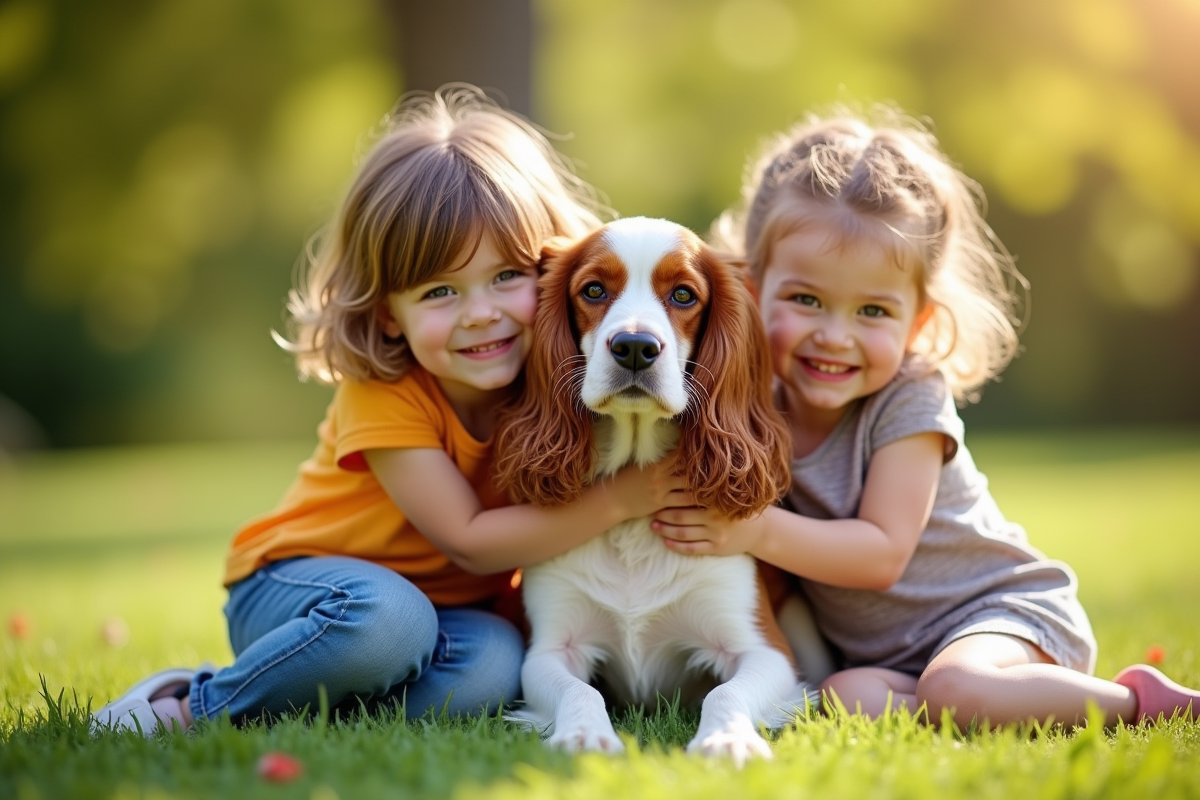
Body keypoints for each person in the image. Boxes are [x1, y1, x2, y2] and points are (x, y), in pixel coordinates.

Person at [92, 85, 685, 735]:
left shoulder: (564, 379)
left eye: (505, 276)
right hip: (305, 592)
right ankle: (190, 703)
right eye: (439, 291)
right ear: (387, 313)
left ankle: (303, 707)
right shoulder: (384, 391)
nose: (479, 313)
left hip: (444, 617)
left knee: (495, 667)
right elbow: (468, 540)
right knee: (388, 622)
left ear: (554, 273)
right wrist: (620, 500)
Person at [649, 108, 1200, 728]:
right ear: (750, 292)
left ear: (918, 322)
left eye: (872, 312)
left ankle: (1140, 703)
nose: (835, 336)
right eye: (806, 300)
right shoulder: (748, 401)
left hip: (997, 614)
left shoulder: (909, 398)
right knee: (842, 696)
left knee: (956, 687)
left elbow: (881, 553)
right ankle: (988, 705)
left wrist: (752, 530)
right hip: (892, 660)